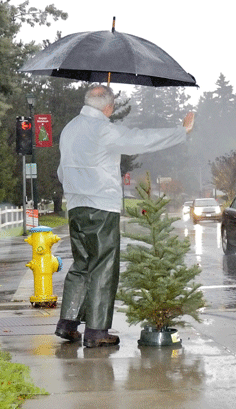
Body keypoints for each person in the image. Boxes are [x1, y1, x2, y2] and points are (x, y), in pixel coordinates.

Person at [55, 85, 194, 347]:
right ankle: (96, 331)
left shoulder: (70, 129)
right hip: (101, 207)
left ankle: (68, 323)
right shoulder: (105, 130)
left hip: (75, 205)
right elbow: (141, 139)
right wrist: (180, 131)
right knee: (104, 266)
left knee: (81, 263)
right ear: (109, 107)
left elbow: (62, 171)